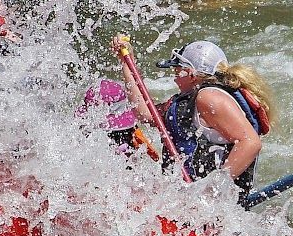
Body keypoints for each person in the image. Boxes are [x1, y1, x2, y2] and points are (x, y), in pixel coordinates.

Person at [113, 37, 275, 194]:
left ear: (190, 74)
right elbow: (146, 114)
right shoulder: (190, 100)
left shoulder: (209, 97)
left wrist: (213, 188)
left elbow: (250, 143)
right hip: (189, 199)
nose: (174, 78)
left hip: (210, 205)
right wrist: (127, 63)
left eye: (177, 72)